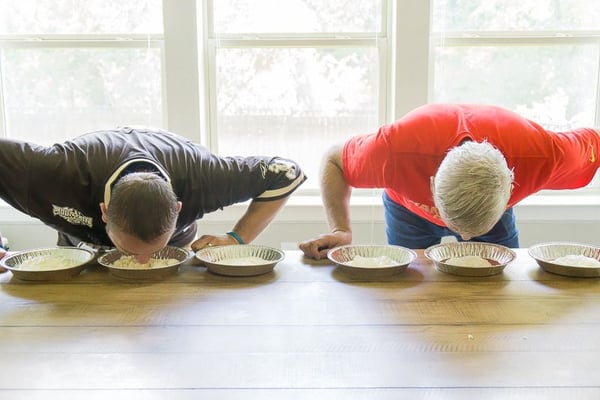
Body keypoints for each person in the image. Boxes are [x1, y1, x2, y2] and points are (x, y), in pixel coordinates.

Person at [299, 103, 600, 259]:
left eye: (470, 232)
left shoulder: (542, 155)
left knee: (499, 282)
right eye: (458, 227)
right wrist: (340, 230)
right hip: (408, 208)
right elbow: (333, 159)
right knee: (410, 287)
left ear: (511, 185)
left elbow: (594, 141)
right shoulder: (393, 152)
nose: (464, 239)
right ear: (431, 186)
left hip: (490, 199)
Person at [0, 126, 306, 268]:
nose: (142, 261)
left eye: (150, 251)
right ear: (104, 212)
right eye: (130, 249)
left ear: (179, 208)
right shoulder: (56, 171)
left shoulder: (203, 177)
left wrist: (238, 238)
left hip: (175, 261)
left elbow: (287, 172)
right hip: (80, 256)